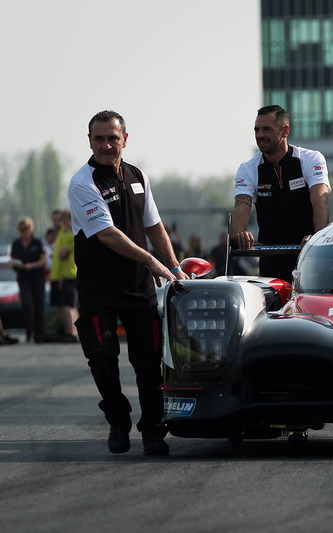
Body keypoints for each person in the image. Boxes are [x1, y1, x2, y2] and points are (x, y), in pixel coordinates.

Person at [68, 110, 189, 456]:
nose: (106, 145)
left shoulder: (138, 176)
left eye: (112, 138)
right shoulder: (82, 182)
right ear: (89, 141)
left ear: (125, 139)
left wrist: (174, 266)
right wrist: (152, 261)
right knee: (102, 358)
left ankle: (153, 431)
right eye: (98, 139)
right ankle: (118, 421)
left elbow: (154, 226)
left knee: (150, 364)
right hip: (98, 290)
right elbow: (107, 235)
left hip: (139, 289)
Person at [231, 105, 331, 282]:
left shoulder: (311, 159)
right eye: (257, 129)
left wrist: (317, 238)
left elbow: (320, 200)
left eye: (267, 129)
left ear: (285, 131)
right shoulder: (248, 168)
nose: (260, 135)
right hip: (271, 260)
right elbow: (241, 204)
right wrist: (240, 234)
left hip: (308, 255)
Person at [10, 217, 47, 344]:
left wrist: (31, 265)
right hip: (23, 278)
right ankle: (28, 331)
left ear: (30, 230)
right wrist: (14, 264)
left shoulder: (37, 243)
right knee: (27, 304)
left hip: (37, 277)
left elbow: (43, 261)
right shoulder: (16, 243)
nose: (23, 233)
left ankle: (39, 334)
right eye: (21, 231)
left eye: (25, 230)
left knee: (38, 306)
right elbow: (12, 259)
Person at [50, 209, 79, 342]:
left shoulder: (71, 233)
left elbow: (62, 255)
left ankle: (72, 332)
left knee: (68, 305)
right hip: (62, 274)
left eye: (65, 219)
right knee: (67, 304)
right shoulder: (64, 232)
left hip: (69, 273)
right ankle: (72, 331)